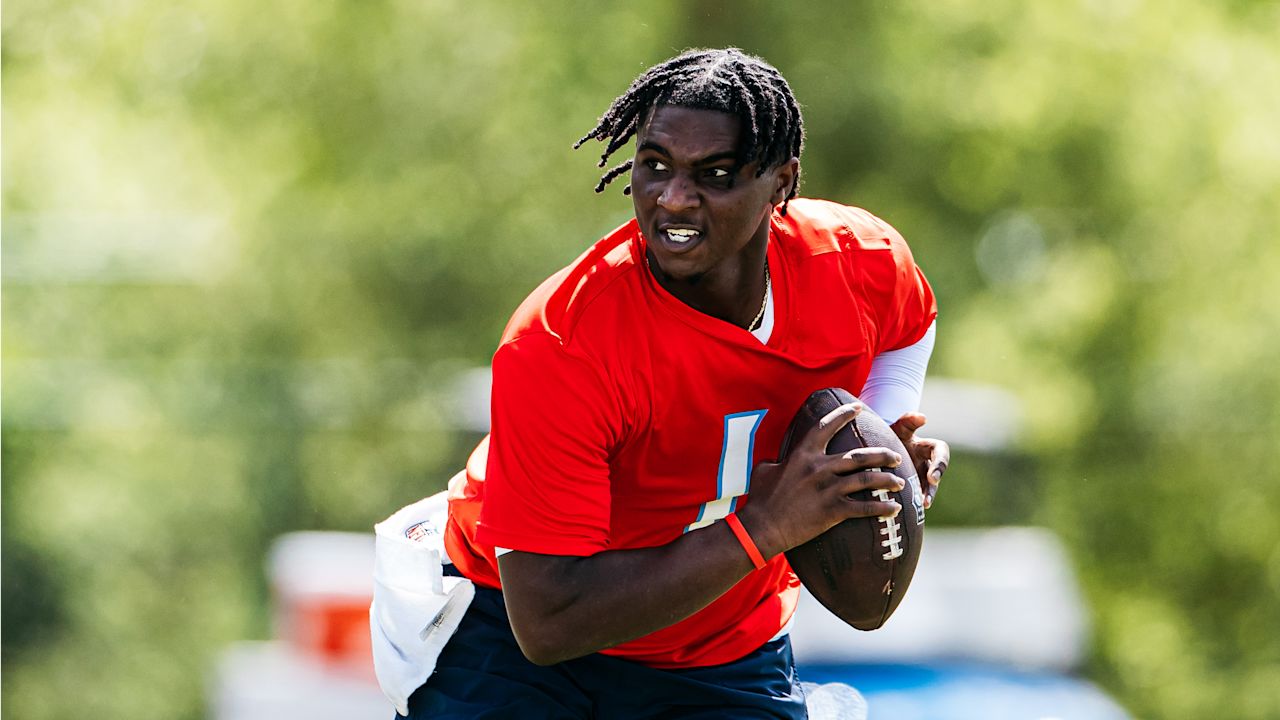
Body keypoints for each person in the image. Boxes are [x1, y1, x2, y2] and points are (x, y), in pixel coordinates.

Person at [409, 48, 949, 719]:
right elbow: (547, 621)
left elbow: (909, 326)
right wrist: (767, 526)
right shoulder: (562, 341)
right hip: (509, 635)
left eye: (715, 174)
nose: (673, 198)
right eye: (654, 165)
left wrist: (880, 433)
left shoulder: (857, 262)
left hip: (720, 646)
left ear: (783, 183)